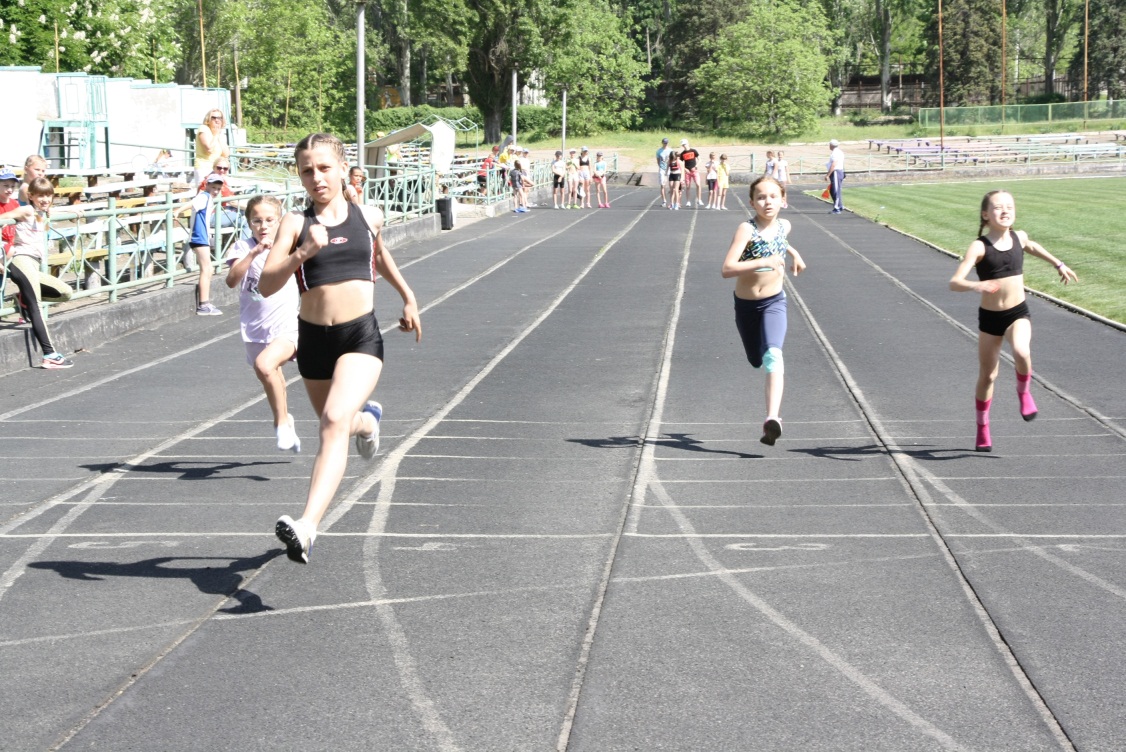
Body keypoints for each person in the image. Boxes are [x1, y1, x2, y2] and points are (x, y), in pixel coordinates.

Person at [259, 132, 421, 564]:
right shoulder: (295, 224)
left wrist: (407, 296)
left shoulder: (368, 215)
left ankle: (307, 527)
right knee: (339, 426)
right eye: (307, 170)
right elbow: (266, 284)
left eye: (324, 168)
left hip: (359, 336)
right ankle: (368, 424)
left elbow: (379, 256)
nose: (316, 177)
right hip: (313, 341)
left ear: (342, 168)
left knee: (332, 420)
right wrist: (300, 255)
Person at [948, 190, 1077, 452]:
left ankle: (1024, 392)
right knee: (988, 376)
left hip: (1017, 313)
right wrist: (978, 286)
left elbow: (1032, 246)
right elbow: (955, 283)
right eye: (998, 207)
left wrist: (1058, 263)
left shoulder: (1020, 237)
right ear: (986, 214)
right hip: (990, 319)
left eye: (1009, 206)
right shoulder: (980, 246)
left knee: (1021, 350)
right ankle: (982, 427)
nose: (1005, 210)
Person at [721, 175, 807, 446]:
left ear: (783, 200)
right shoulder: (746, 230)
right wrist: (765, 260)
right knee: (756, 360)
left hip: (774, 302)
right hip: (746, 305)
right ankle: (771, 410)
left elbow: (780, 239)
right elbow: (727, 269)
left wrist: (794, 253)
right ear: (751, 202)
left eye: (773, 196)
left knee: (774, 356)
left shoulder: (785, 225)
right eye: (760, 197)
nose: (767, 202)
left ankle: (773, 419)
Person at [224, 195, 302, 452]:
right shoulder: (242, 247)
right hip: (255, 327)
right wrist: (254, 252)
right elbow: (231, 280)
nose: (263, 226)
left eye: (269, 220)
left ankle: (280, 423)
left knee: (265, 366)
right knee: (271, 375)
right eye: (257, 221)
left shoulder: (289, 247)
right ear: (248, 223)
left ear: (280, 221)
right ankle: (286, 419)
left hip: (287, 325)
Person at [0, 177, 76, 368]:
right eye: (40, 195)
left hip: (33, 264)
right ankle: (49, 354)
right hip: (21, 261)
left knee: (65, 292)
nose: (45, 199)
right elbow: (4, 217)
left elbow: (50, 209)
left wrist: (71, 209)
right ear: (31, 196)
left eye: (48, 195)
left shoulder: (41, 212)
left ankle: (22, 298)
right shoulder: (26, 210)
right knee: (37, 306)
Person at [189, 172, 227, 315]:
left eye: (218, 188)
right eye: (213, 187)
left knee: (208, 269)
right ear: (207, 186)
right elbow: (192, 203)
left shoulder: (207, 197)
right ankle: (203, 305)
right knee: (207, 269)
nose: (216, 191)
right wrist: (177, 211)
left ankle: (205, 303)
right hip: (199, 237)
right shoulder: (203, 197)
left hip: (201, 237)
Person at [194, 108, 230, 185]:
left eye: (219, 118)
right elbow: (209, 149)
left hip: (217, 169)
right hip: (203, 167)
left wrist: (218, 135)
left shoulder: (220, 134)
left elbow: (226, 154)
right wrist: (216, 135)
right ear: (208, 119)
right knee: (203, 192)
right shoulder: (204, 129)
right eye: (213, 118)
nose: (217, 120)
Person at [0, 167, 19, 251]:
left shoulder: (15, 204)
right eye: (6, 186)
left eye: (12, 186)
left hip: (14, 241)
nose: (10, 190)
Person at [679, 139, 702, 207]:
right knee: (688, 186)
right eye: (683, 145)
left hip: (694, 170)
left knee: (698, 184)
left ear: (688, 143)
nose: (684, 146)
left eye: (685, 144)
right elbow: (680, 164)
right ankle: (688, 201)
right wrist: (685, 169)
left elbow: (700, 159)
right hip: (687, 172)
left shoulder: (693, 151)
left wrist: (696, 166)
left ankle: (699, 199)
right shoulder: (682, 154)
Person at [826, 139, 845, 214]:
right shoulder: (838, 152)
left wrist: (828, 175)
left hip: (836, 172)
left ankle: (837, 207)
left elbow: (834, 164)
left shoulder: (835, 153)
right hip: (837, 172)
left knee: (835, 190)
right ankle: (839, 205)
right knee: (833, 190)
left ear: (831, 145)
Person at [656, 137, 673, 208]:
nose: (665, 144)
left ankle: (672, 201)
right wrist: (660, 168)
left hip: (669, 168)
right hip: (662, 169)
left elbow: (673, 159)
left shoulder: (670, 150)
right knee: (663, 185)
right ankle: (664, 201)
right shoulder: (659, 151)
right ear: (662, 143)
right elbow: (658, 161)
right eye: (664, 143)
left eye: (666, 143)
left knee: (671, 185)